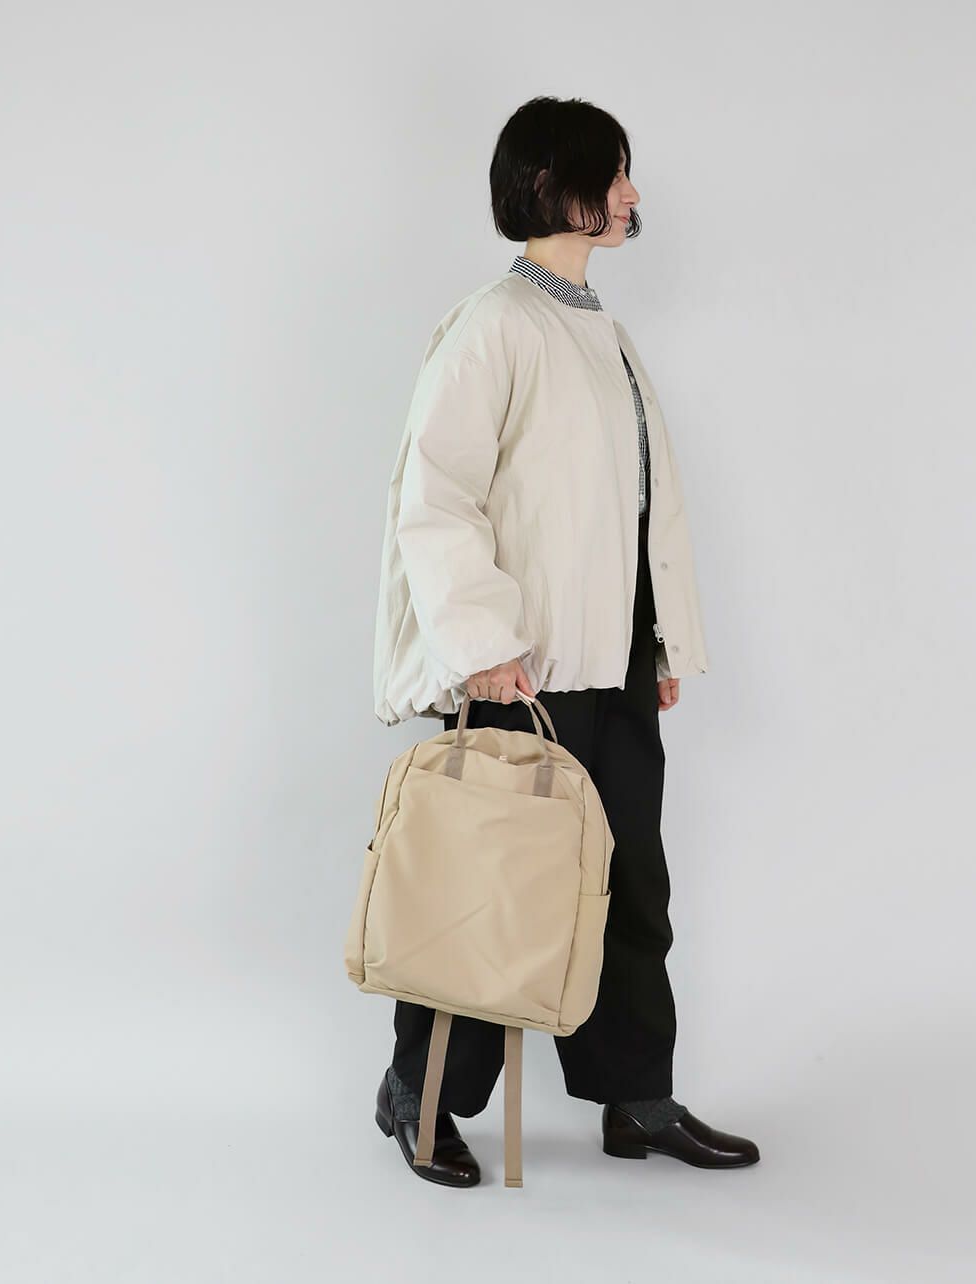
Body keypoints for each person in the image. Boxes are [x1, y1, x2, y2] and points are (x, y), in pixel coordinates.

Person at [372, 95, 760, 1187]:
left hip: (610, 664)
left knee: (628, 886)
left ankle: (635, 1098)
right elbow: (436, 498)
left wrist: (657, 644)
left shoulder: (603, 332)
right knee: (489, 891)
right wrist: (483, 643)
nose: (632, 194)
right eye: (613, 173)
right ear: (553, 188)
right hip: (520, 672)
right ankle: (418, 1094)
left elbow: (632, 510)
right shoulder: (493, 325)